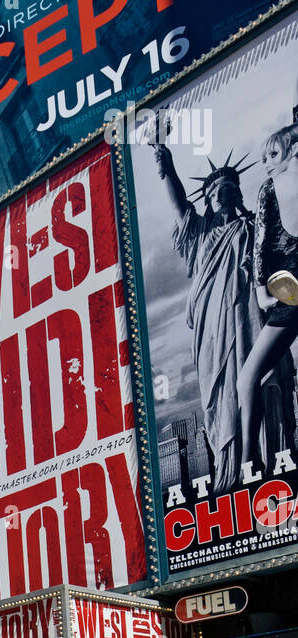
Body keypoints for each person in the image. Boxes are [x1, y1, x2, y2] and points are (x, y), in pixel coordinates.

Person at [149, 136, 259, 497]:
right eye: (217, 194)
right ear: (208, 201)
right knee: (220, 394)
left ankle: (262, 459)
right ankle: (231, 467)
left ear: (238, 196)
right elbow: (181, 206)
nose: (224, 197)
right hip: (212, 330)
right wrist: (168, 168)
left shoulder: (252, 228)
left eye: (230, 191)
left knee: (256, 379)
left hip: (249, 320)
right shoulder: (201, 235)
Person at [238, 117, 298, 476]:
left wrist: (261, 291)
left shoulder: (270, 187)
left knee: (247, 377)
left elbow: (260, 245)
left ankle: (249, 462)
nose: (266, 161)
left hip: (288, 286)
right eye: (263, 156)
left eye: (273, 153)